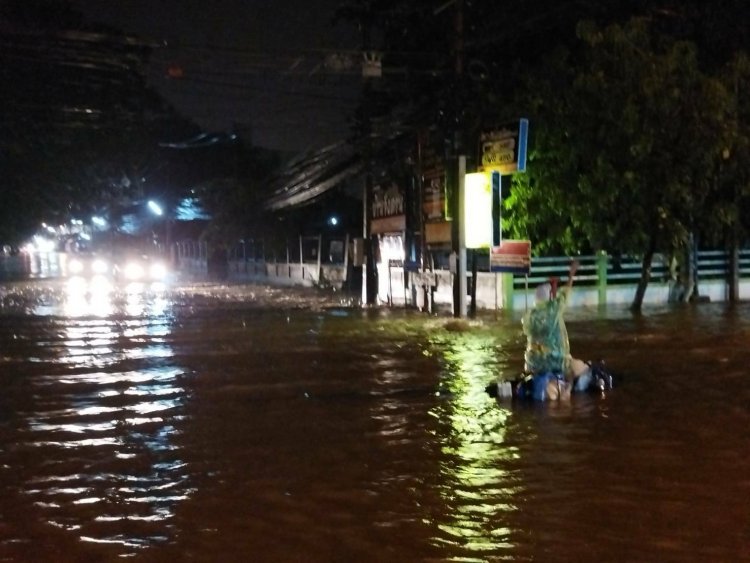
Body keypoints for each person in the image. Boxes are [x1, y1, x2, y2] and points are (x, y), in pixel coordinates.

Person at [521, 260, 582, 400]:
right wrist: (571, 274)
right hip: (555, 362)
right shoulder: (554, 310)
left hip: (531, 364)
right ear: (549, 297)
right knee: (574, 371)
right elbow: (565, 293)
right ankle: (568, 390)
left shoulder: (529, 315)